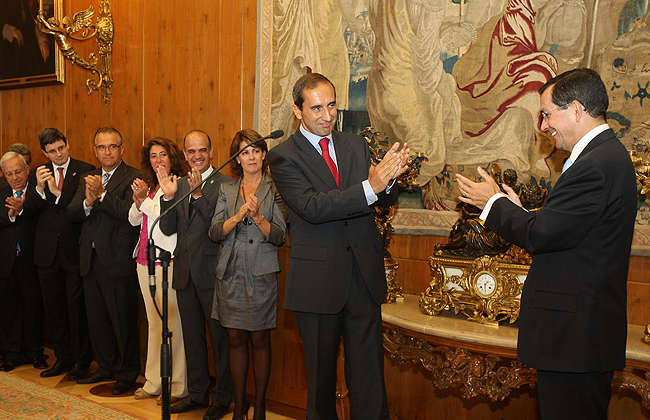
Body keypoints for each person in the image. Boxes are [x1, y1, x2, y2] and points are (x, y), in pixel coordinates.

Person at [455, 68, 638, 420]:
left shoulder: (594, 166)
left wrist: (492, 204)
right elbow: (566, 232)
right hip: (578, 336)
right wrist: (521, 211)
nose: (542, 126)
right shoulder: (603, 157)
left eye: (546, 114)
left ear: (576, 109)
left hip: (575, 337)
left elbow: (541, 236)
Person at [267, 73, 409, 420]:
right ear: (298, 111)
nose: (327, 115)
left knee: (369, 377)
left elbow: (379, 199)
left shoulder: (353, 144)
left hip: (363, 276)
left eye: (331, 105)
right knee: (320, 380)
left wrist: (390, 179)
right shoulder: (283, 157)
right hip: (318, 283)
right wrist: (371, 186)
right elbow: (314, 207)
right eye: (316, 107)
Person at [209, 130, 287, 420]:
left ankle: (261, 407)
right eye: (244, 152)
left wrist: (257, 216)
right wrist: (238, 215)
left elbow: (279, 236)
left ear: (264, 155)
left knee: (259, 339)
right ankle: (240, 404)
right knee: (234, 338)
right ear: (237, 158)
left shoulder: (274, 187)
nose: (251, 157)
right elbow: (215, 232)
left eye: (256, 150)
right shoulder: (227, 189)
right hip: (230, 270)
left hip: (261, 271)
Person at [159, 130, 233, 420]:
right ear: (185, 154)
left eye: (202, 150)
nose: (196, 156)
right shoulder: (177, 184)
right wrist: (167, 198)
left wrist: (199, 195)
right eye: (191, 151)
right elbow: (167, 228)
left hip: (213, 274)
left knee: (220, 341)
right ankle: (198, 393)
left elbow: (219, 228)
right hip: (184, 274)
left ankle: (223, 397)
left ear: (211, 152)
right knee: (192, 338)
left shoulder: (226, 184)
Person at [67, 127, 141, 395]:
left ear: (122, 148)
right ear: (94, 150)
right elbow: (73, 212)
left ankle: (127, 372)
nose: (106, 152)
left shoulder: (134, 176)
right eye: (101, 147)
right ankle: (107, 366)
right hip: (90, 258)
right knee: (97, 319)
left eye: (112, 146)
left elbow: (129, 214)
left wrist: (101, 195)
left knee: (123, 320)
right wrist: (87, 200)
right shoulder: (89, 178)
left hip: (118, 259)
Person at [128, 137, 189, 403]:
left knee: (172, 325)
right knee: (154, 324)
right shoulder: (152, 186)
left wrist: (146, 202)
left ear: (172, 157)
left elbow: (167, 223)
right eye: (153, 156)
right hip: (144, 261)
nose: (158, 161)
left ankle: (176, 386)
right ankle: (153, 381)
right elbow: (133, 218)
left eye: (163, 155)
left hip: (168, 262)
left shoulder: (177, 184)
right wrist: (139, 199)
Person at [32, 128, 95, 380]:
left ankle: (82, 361)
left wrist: (56, 193)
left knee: (76, 309)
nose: (58, 154)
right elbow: (30, 210)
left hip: (73, 250)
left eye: (61, 148)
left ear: (68, 145)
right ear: (44, 152)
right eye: (52, 151)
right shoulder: (39, 172)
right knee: (55, 309)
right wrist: (38, 188)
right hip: (47, 253)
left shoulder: (86, 169)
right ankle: (63, 358)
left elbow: (75, 207)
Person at [0, 151, 46, 372]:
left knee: (33, 306)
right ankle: (12, 354)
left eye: (18, 171)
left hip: (33, 258)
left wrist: (24, 208)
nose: (15, 177)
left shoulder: (39, 191)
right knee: (9, 308)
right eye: (9, 174)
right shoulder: (1, 192)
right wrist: (11, 214)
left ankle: (35, 352)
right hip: (7, 259)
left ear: (28, 169)